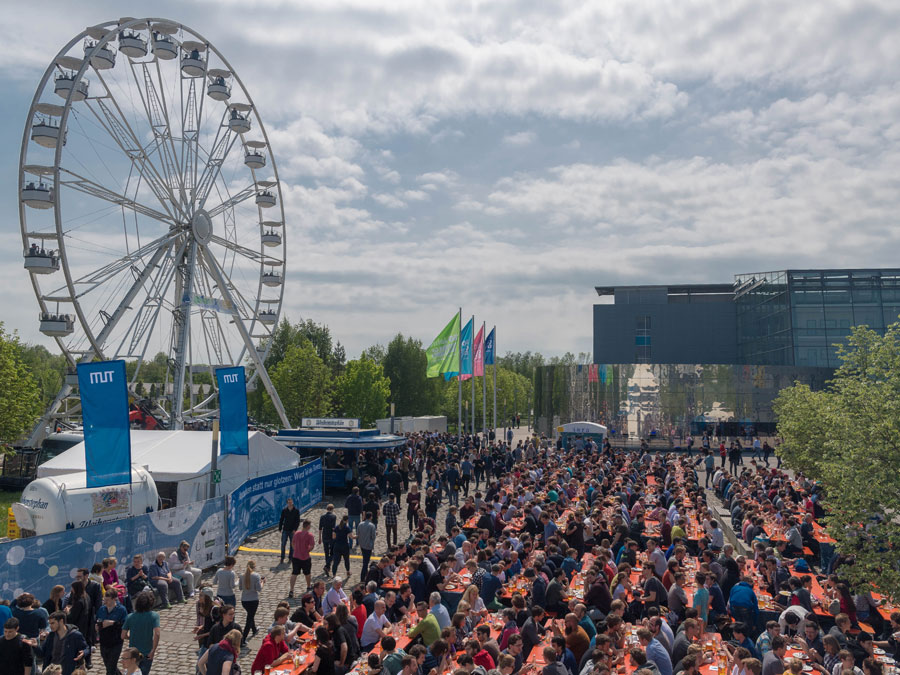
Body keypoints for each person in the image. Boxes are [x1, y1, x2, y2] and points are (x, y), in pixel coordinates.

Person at [122, 591, 160, 675]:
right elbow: (157, 634)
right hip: (147, 652)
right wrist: (153, 650)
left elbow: (123, 635)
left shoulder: (130, 617)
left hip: (133, 654)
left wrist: (130, 637)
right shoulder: (154, 616)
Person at [39, 611, 88, 675]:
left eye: (53, 623)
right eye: (50, 623)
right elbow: (41, 654)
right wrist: (35, 646)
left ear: (61, 621)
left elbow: (86, 648)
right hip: (52, 671)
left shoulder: (75, 635)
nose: (50, 626)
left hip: (67, 671)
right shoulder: (51, 636)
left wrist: (84, 652)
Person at [96, 588, 127, 675]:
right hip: (104, 641)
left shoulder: (121, 610)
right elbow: (97, 620)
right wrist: (96, 626)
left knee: (111, 668)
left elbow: (125, 625)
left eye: (108, 600)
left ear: (114, 599)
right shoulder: (102, 609)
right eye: (104, 600)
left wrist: (113, 623)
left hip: (116, 642)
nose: (105, 602)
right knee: (109, 665)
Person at [240, 560, 264, 647]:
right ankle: (243, 638)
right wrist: (262, 582)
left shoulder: (242, 576)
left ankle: (254, 629)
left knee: (250, 615)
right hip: (253, 600)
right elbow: (259, 589)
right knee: (249, 618)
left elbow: (240, 587)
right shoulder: (256, 576)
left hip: (244, 600)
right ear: (254, 567)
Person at [291, 519, 316, 597]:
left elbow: (293, 543)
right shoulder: (310, 535)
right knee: (307, 573)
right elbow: (311, 546)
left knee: (294, 573)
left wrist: (296, 550)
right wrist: (307, 550)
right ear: (308, 526)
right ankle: (308, 586)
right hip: (305, 557)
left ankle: (291, 590)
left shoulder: (296, 534)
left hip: (295, 556)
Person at [279, 497, 301, 563]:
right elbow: (281, 519)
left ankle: (290, 558)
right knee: (283, 544)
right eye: (289, 502)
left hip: (292, 530)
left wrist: (295, 529)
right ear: (287, 503)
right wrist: (280, 528)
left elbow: (298, 521)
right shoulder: (284, 510)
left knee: (292, 545)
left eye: (291, 502)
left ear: (293, 502)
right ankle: (282, 557)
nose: (290, 503)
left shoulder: (296, 511)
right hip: (285, 529)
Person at [357, 512, 377, 581]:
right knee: (365, 562)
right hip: (368, 546)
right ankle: (363, 578)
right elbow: (373, 537)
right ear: (371, 517)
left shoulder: (360, 524)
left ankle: (365, 575)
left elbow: (358, 534)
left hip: (362, 545)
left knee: (365, 560)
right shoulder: (372, 526)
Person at [320, 504, 338, 575]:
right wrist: (335, 536)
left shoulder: (322, 517)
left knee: (326, 552)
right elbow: (333, 528)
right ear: (332, 509)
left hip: (324, 535)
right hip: (331, 536)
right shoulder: (334, 516)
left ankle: (327, 566)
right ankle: (327, 565)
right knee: (333, 552)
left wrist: (319, 538)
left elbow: (320, 528)